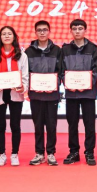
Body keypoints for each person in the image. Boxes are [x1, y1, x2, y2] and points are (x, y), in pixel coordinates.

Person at [0, 26, 29, 167]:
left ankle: (15, 154)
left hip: (15, 94)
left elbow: (25, 76)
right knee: (0, 125)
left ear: (14, 37)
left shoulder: (21, 55)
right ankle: (2, 154)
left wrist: (23, 87)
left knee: (15, 125)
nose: (6, 36)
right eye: (3, 34)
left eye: (9, 33)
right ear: (0, 37)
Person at [61, 19, 97, 166]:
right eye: (75, 29)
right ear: (71, 31)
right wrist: (67, 82)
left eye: (80, 28)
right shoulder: (65, 49)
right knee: (72, 123)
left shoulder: (93, 48)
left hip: (88, 93)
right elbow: (61, 70)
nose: (77, 31)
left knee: (89, 124)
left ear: (85, 30)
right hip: (71, 93)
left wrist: (86, 83)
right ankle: (74, 152)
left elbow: (96, 70)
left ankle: (89, 152)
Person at [25, 21, 63, 166]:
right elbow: (26, 72)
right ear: (35, 32)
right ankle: (39, 153)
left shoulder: (57, 50)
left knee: (52, 125)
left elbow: (60, 71)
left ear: (49, 32)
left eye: (45, 30)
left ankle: (51, 153)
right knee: (38, 125)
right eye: (39, 30)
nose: (42, 32)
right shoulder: (28, 51)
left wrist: (54, 83)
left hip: (52, 94)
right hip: (35, 95)